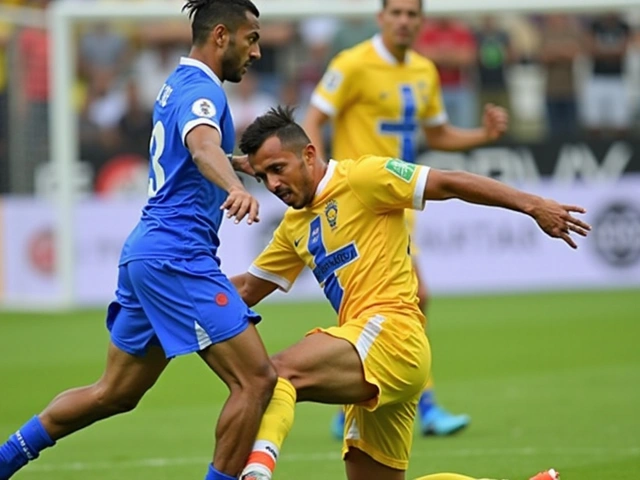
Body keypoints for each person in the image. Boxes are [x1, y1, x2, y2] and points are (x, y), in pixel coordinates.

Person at [0, 2, 292, 480]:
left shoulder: (175, 81)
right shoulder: (202, 90)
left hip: (147, 251)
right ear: (221, 35)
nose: (257, 51)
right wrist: (234, 187)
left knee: (114, 392)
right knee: (256, 379)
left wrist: (233, 162)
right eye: (251, 38)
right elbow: (199, 146)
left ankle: (4, 459)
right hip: (177, 255)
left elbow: (193, 149)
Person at [233, 106, 587, 480]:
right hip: (367, 357)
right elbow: (247, 289)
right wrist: (173, 295)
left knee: (275, 373)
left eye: (277, 170)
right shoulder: (293, 226)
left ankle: (256, 471)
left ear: (308, 154)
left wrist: (533, 205)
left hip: (391, 335)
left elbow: (449, 182)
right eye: (262, 178)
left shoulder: (363, 177)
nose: (272, 185)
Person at [302, 0, 509, 438]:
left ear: (421, 22)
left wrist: (482, 135)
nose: (403, 21)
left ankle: (351, 402)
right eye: (395, 12)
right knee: (415, 295)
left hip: (399, 199)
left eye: (411, 14)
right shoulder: (352, 63)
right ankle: (425, 405)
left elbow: (437, 134)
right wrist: (318, 181)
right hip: (359, 201)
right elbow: (314, 117)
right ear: (381, 18)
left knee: (369, 305)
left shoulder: (423, 71)